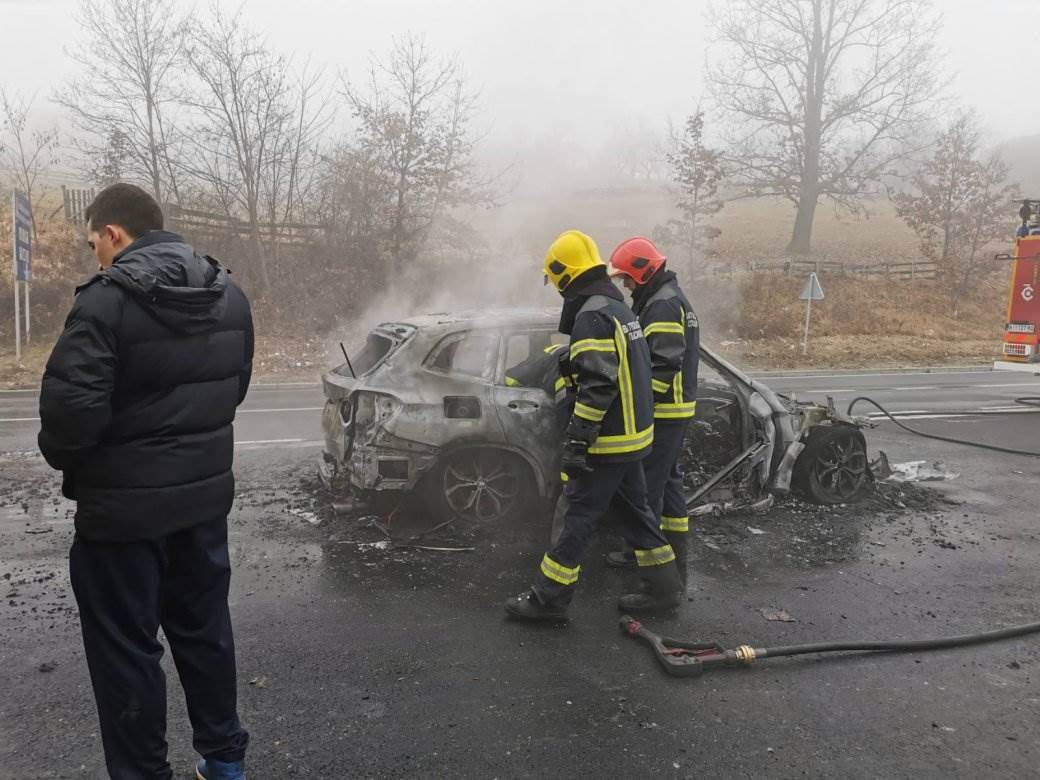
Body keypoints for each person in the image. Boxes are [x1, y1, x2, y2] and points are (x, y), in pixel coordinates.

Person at [38, 183, 253, 780]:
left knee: (126, 651)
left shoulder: (105, 302)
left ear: (113, 234)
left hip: (122, 519)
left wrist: (74, 462)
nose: (94, 257)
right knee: (205, 630)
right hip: (202, 507)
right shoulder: (229, 293)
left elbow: (67, 422)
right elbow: (232, 389)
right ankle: (224, 759)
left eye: (92, 244)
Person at [504, 230, 683, 622]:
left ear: (564, 275)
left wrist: (578, 441)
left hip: (608, 441)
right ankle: (665, 589)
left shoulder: (591, 315)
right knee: (638, 514)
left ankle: (548, 601)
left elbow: (598, 385)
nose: (555, 290)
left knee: (574, 516)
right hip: (635, 438)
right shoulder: (617, 309)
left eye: (554, 281)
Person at [605, 237, 700, 592]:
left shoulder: (661, 305)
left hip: (666, 410)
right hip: (677, 408)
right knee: (669, 480)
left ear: (644, 272)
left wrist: (644, 407)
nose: (626, 285)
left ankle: (645, 560)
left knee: (646, 488)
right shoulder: (671, 297)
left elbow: (663, 363)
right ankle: (676, 547)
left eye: (628, 278)